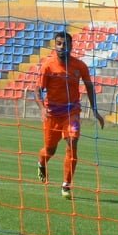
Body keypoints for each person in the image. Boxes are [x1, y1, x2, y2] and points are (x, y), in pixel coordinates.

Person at [36, 30, 105, 200]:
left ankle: (66, 185)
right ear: (55, 45)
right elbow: (37, 90)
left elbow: (89, 86)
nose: (62, 47)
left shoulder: (80, 66)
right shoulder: (48, 66)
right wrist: (42, 108)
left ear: (71, 46)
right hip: (52, 114)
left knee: (72, 141)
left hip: (71, 112)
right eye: (59, 43)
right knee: (50, 150)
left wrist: (94, 109)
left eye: (65, 44)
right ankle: (41, 162)